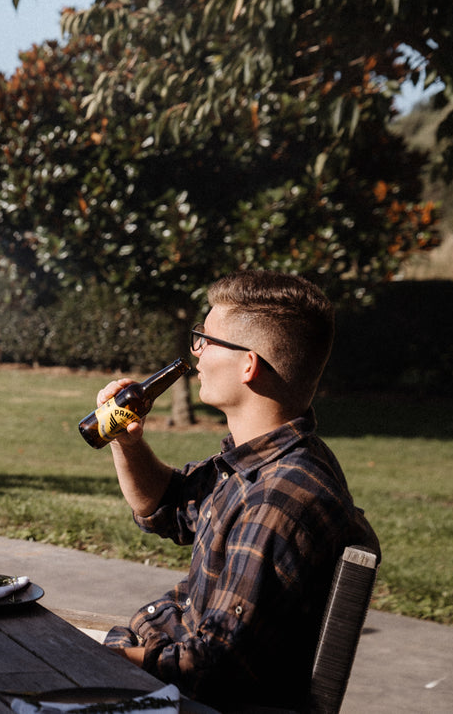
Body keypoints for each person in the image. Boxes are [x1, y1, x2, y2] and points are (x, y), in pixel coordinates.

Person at [95, 271, 378, 710]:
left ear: (249, 365)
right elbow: (166, 504)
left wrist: (99, 658)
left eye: (205, 340)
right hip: (169, 669)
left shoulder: (277, 498)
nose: (195, 354)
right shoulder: (262, 463)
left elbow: (209, 667)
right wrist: (126, 442)